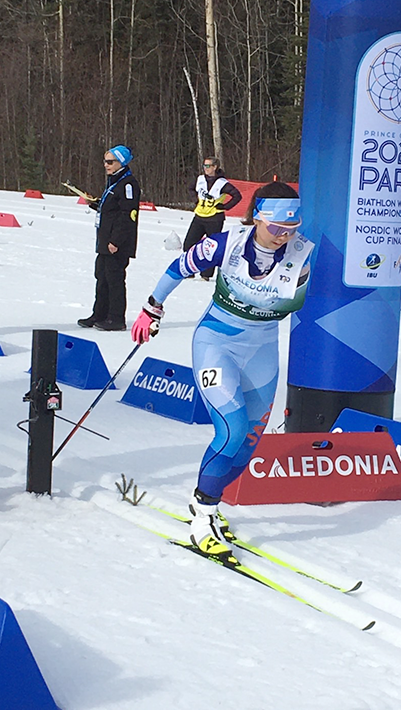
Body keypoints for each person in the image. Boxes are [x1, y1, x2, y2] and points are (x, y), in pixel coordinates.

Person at [131, 181, 314, 558]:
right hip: (217, 343)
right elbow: (177, 267)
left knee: (247, 448)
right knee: (231, 430)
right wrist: (152, 308)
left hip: (262, 350)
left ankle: (205, 502)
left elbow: (292, 305)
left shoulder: (301, 254)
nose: (285, 237)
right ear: (257, 218)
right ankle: (204, 516)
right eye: (278, 228)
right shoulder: (224, 244)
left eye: (292, 229)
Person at [78, 145, 140, 331]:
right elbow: (111, 209)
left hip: (116, 243)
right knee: (101, 277)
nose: (106, 165)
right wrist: (96, 204)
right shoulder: (114, 181)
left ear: (121, 162)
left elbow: (127, 215)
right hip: (105, 241)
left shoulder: (128, 183)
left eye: (110, 162)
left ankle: (116, 318)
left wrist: (116, 241)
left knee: (114, 279)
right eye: (105, 161)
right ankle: (99, 314)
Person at [184, 157, 242, 281]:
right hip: (199, 216)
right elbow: (190, 188)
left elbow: (237, 196)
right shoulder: (199, 179)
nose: (206, 168)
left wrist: (225, 207)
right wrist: (195, 200)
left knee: (211, 247)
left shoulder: (222, 183)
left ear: (215, 167)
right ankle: (189, 270)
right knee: (189, 243)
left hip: (214, 219)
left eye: (208, 166)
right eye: (204, 166)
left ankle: (206, 275)